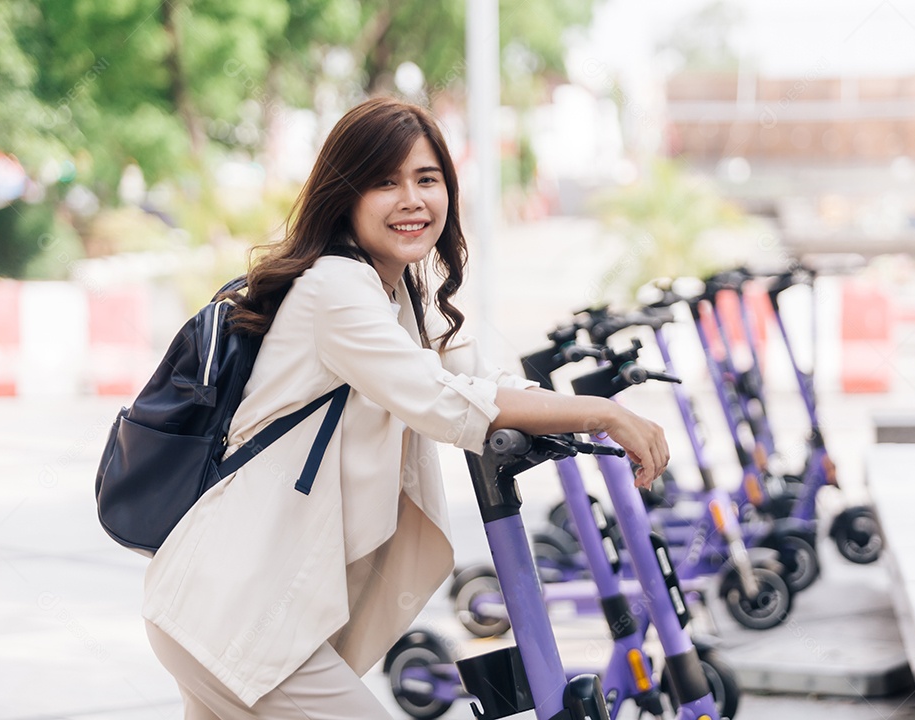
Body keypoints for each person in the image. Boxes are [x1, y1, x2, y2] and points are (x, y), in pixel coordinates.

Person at [142, 96, 669, 719]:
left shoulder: (397, 294)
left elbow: (477, 378)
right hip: (239, 613)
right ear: (345, 196)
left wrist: (568, 409)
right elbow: (440, 400)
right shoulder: (335, 289)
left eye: (427, 179)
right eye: (384, 182)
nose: (412, 200)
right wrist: (600, 415)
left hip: (245, 612)